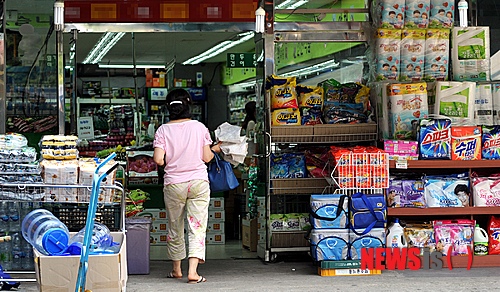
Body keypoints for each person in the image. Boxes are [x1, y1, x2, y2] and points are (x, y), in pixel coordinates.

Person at [153, 88, 221, 284]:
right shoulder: (199, 127)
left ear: (168, 108)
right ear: (188, 104)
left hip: (174, 183)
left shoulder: (163, 130)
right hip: (198, 182)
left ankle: (176, 270)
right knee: (197, 227)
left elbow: (158, 159)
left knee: (175, 227)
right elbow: (207, 157)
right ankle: (193, 271)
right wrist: (214, 148)